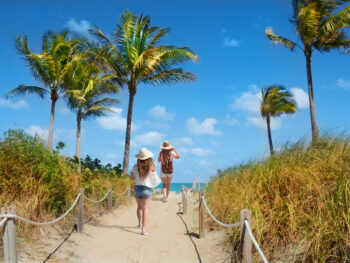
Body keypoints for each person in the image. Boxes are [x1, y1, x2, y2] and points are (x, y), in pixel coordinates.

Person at [130, 147, 159, 235]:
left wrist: (136, 175)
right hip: (147, 189)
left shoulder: (135, 166)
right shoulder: (151, 166)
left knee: (139, 207)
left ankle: (139, 224)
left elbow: (131, 178)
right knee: (145, 208)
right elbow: (155, 179)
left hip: (137, 188)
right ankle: (143, 230)